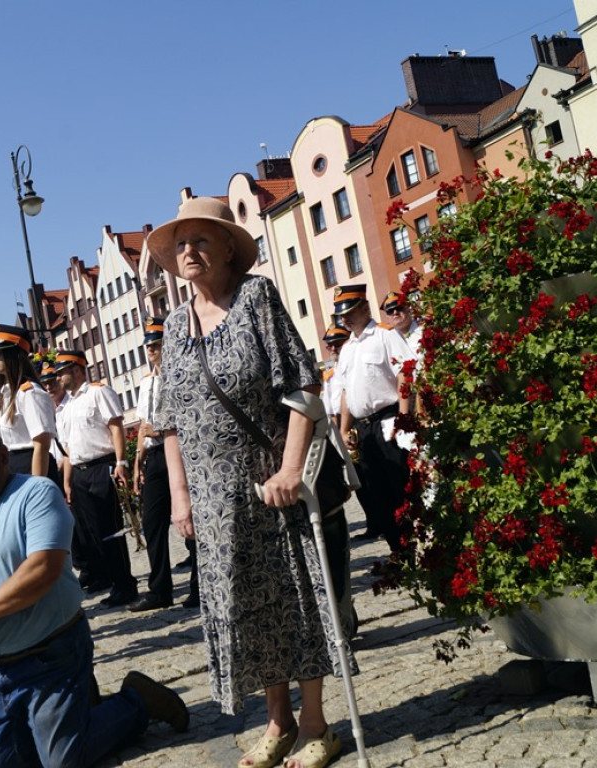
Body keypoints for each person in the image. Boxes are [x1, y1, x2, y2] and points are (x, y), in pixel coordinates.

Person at [148, 197, 352, 768]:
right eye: (181, 244)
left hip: (268, 486)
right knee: (247, 610)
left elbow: (303, 386)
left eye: (202, 241)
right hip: (212, 502)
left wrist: (290, 469)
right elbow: (169, 422)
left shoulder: (255, 297)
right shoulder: (174, 324)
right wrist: (180, 500)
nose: (189, 251)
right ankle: (277, 723)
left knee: (293, 600)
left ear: (229, 249)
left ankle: (316, 727)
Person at [0, 427, 188, 768]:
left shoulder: (36, 493)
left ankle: (135, 702)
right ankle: (69, 715)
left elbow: (43, 568)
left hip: (49, 656)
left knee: (63, 763)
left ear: (4, 457)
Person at [335, 285, 416, 556]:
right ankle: (398, 552)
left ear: (364, 307)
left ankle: (414, 547)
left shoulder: (385, 335)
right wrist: (344, 428)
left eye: (349, 312)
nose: (344, 319)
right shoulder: (347, 349)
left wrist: (405, 417)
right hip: (363, 429)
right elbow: (347, 392)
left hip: (388, 420)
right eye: (340, 315)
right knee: (378, 495)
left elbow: (405, 373)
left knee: (400, 488)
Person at [55, 350, 138, 606]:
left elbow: (115, 426)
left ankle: (125, 584)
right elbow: (68, 449)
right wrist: (67, 482)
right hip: (80, 472)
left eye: (63, 370)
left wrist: (122, 462)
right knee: (93, 533)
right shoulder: (66, 406)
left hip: (102, 465)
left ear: (78, 369)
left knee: (111, 530)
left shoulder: (98, 391)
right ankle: (113, 582)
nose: (59, 376)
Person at [130, 317, 197, 612]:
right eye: (149, 347)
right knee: (152, 523)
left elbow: (185, 420)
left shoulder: (181, 375)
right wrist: (137, 461)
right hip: (155, 456)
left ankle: (199, 585)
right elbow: (144, 423)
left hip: (179, 451)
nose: (152, 351)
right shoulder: (147, 383)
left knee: (190, 521)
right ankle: (159, 589)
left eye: (156, 345)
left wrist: (156, 431)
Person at [0, 324, 61, 485]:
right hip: (12, 467)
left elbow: (41, 443)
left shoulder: (30, 393)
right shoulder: (7, 395)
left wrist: (36, 485)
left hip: (32, 466)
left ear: (14, 355)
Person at [380, 291, 422, 357]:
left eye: (399, 308)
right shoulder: (388, 340)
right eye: (390, 311)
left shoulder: (423, 329)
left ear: (408, 309)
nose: (395, 312)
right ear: (387, 318)